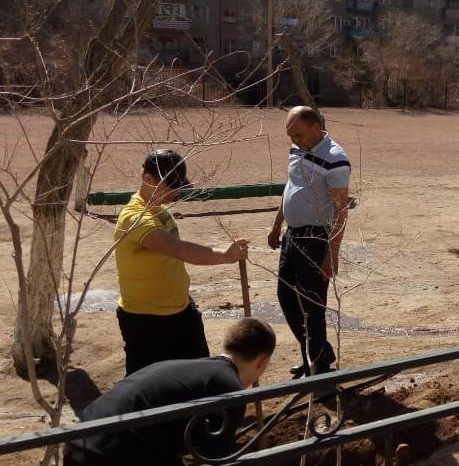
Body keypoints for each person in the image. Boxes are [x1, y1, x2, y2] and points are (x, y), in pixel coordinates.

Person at [63, 317, 276, 466]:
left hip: (79, 444)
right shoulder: (228, 388)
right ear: (262, 362)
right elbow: (215, 459)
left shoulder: (189, 369)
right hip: (116, 455)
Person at [113, 150, 249, 376]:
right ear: (148, 179)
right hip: (146, 322)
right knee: (151, 388)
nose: (176, 192)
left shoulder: (159, 209)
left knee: (199, 380)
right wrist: (225, 256)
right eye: (171, 186)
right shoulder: (134, 218)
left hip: (181, 312)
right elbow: (178, 249)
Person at [268, 106, 350, 377]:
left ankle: (320, 373)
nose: (294, 140)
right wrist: (277, 224)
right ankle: (315, 353)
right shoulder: (297, 148)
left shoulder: (335, 159)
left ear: (316, 128)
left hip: (315, 240)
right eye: (290, 135)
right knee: (286, 298)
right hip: (292, 236)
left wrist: (331, 254)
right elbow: (290, 186)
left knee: (312, 307)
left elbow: (340, 211)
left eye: (299, 134)